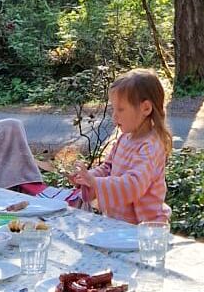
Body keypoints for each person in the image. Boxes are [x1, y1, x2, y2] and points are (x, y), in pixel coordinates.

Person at [67, 68, 172, 224]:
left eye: (121, 109)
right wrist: (87, 178)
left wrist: (94, 183)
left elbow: (133, 185)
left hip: (145, 230)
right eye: (113, 109)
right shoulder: (124, 138)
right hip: (119, 224)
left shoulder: (150, 146)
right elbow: (108, 169)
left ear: (146, 108)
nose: (114, 115)